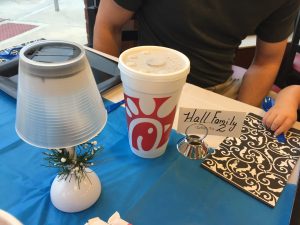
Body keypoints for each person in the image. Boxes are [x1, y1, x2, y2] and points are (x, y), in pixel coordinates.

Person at [93, 0, 300, 107]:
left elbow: (266, 61)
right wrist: (116, 93)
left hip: (218, 91)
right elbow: (108, 26)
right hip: (147, 84)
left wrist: (241, 117)